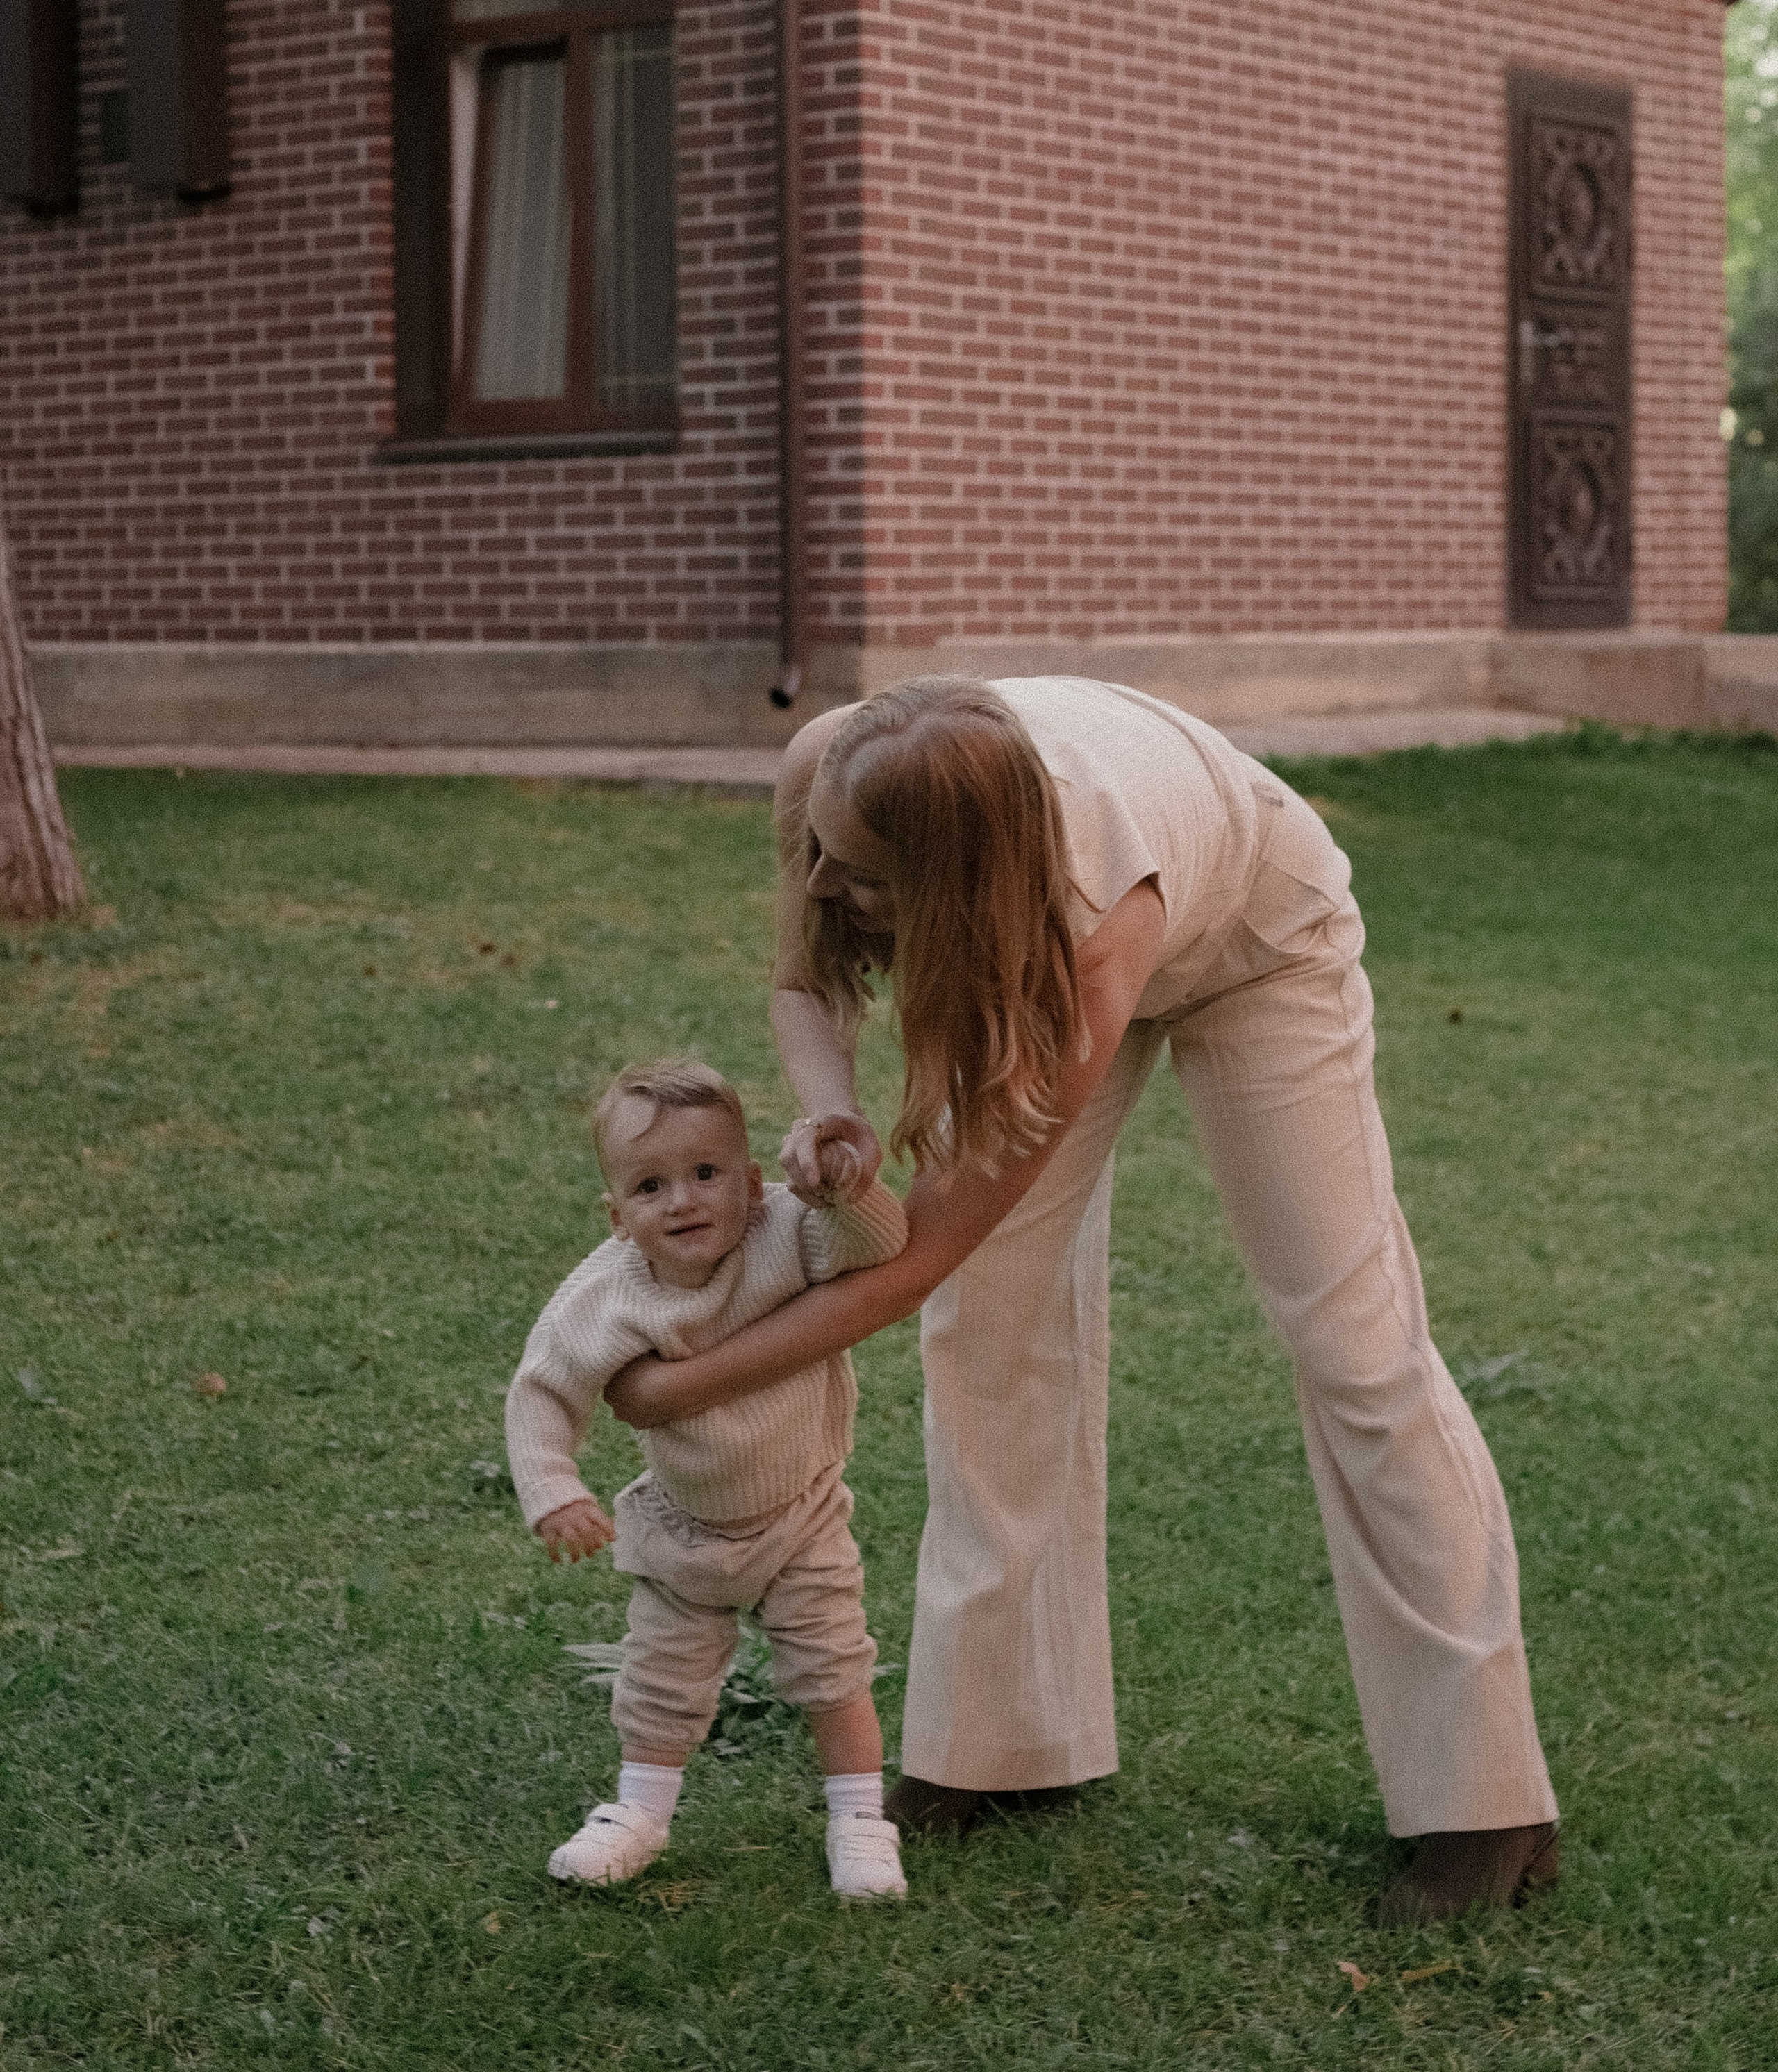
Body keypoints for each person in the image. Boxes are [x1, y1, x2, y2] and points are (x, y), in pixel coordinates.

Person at [601, 678, 1561, 1926]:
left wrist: (683, 1383)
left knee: (1353, 1343)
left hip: (1255, 936)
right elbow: (807, 977)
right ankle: (1003, 1750)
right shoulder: (831, 763)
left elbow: (913, 1259)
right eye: (826, 855)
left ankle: (1486, 1802)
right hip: (1042, 916)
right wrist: (830, 1100)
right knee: (993, 1321)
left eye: (867, 879)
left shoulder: (1096, 929)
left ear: (952, 894)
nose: (831, 887)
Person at [505, 1056, 909, 1900]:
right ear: (617, 1216)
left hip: (801, 1515)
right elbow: (545, 1386)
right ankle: (638, 1814)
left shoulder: (784, 1229)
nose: (683, 1200)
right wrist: (554, 1487)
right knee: (660, 1679)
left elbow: (880, 1246)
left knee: (833, 1666)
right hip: (685, 1527)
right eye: (650, 1187)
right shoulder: (607, 1294)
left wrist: (844, 1191)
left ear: (752, 1182)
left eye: (705, 1173)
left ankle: (861, 1820)